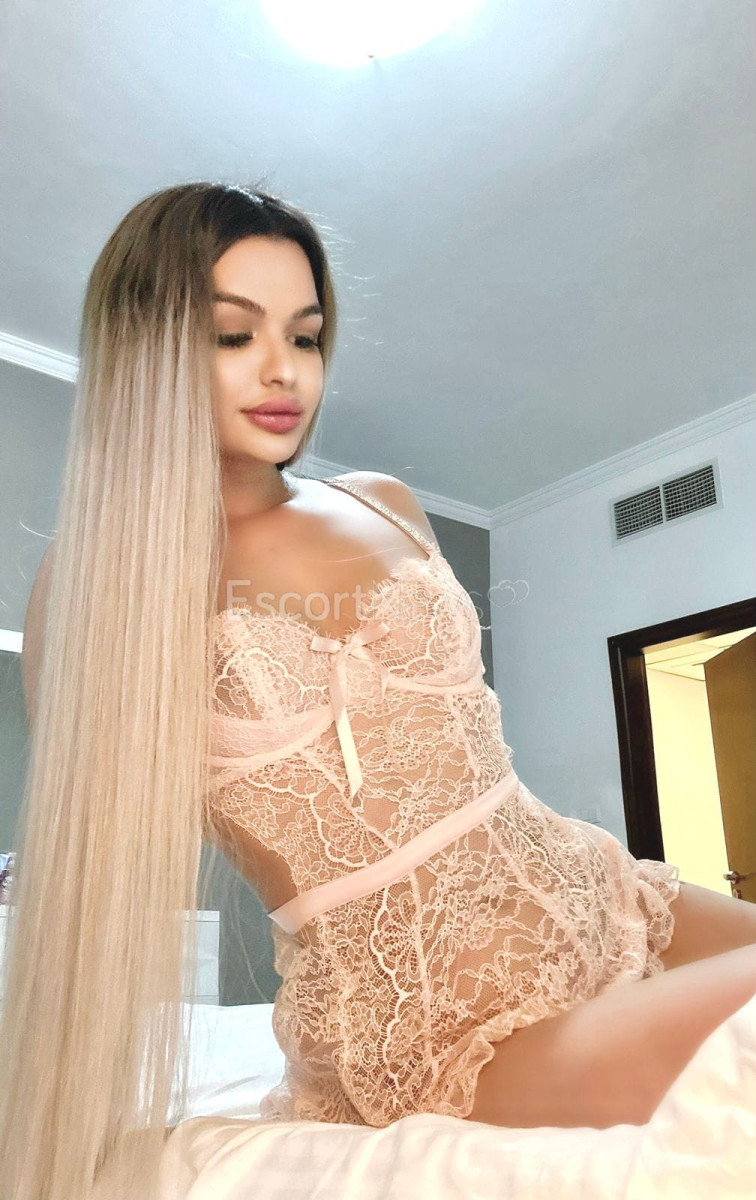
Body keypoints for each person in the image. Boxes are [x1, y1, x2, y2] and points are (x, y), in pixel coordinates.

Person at [2, 182, 755, 1200]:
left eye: (306, 335)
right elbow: (84, 884)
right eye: (233, 334)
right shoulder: (106, 589)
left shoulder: (385, 502)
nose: (284, 370)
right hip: (440, 1028)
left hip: (597, 888)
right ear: (148, 349)